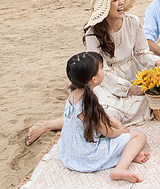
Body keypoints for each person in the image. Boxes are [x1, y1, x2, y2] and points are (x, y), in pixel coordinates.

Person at [26, 0, 160, 146]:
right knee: (102, 113)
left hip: (133, 72)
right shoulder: (92, 32)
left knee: (154, 100)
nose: (120, 3)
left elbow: (141, 53)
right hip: (105, 79)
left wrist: (157, 63)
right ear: (103, 7)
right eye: (114, 0)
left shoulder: (133, 22)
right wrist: (129, 88)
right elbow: (100, 70)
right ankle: (48, 125)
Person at [59, 51, 149, 182]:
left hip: (71, 151)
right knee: (139, 136)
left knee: (113, 121)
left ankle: (124, 154)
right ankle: (120, 168)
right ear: (94, 79)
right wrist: (121, 131)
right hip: (88, 154)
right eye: (101, 68)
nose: (103, 70)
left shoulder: (73, 94)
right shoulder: (89, 103)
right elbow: (108, 132)